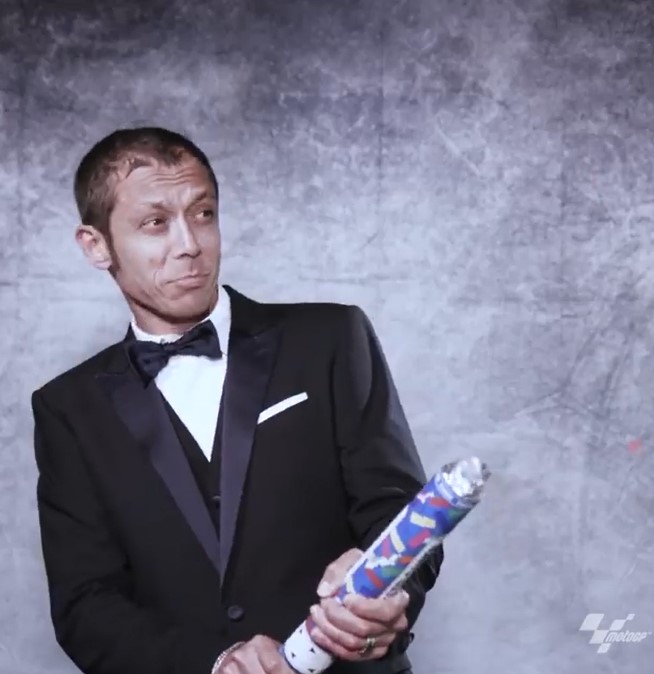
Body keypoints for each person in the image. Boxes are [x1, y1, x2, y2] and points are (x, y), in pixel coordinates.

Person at [31, 127, 443, 674]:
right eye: (156, 223)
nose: (190, 244)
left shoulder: (330, 339)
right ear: (96, 245)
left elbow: (399, 510)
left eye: (203, 213)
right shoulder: (67, 409)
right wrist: (214, 662)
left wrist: (388, 588)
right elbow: (86, 607)